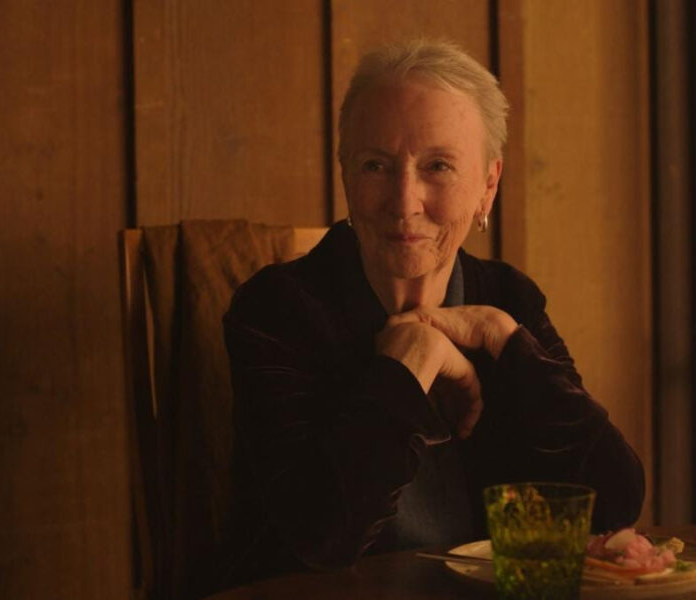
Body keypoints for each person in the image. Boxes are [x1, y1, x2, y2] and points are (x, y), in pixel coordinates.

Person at [222, 39, 644, 584]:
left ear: (488, 186)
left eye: (438, 166)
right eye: (376, 165)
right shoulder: (277, 310)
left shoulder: (508, 300)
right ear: (346, 173)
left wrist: (501, 336)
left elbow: (614, 504)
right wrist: (411, 361)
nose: (404, 202)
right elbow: (322, 536)